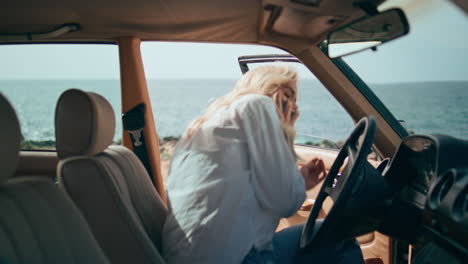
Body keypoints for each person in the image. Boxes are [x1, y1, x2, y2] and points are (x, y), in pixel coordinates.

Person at [161, 65, 364, 264]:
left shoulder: (205, 126)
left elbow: (259, 186)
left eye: (295, 100)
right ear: (269, 89)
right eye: (288, 94)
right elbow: (285, 202)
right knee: (339, 236)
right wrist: (286, 130)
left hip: (189, 255)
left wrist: (299, 178)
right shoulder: (256, 104)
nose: (294, 106)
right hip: (238, 258)